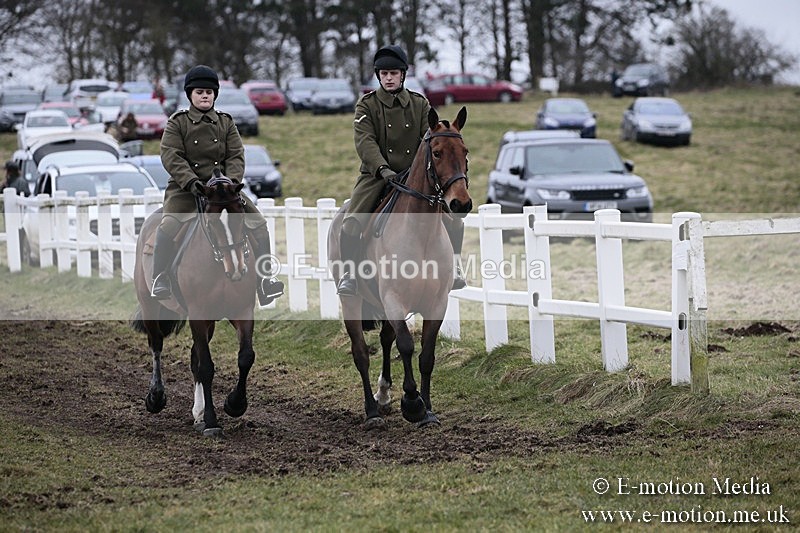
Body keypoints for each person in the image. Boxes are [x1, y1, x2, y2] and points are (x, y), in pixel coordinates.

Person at [336, 45, 466, 296]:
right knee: (352, 222)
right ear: (378, 76)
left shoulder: (419, 104)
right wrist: (383, 169)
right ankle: (349, 275)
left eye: (393, 73)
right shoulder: (367, 105)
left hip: (414, 176)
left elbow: (428, 140)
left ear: (403, 75)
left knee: (454, 220)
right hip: (376, 175)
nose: (388, 78)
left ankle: (456, 267)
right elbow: (365, 142)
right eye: (384, 74)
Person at [151, 64, 284, 306]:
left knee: (259, 224)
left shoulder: (225, 122)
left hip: (223, 192)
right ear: (190, 94)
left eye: (209, 92)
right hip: (186, 190)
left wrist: (230, 183)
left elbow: (236, 154)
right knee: (168, 226)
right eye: (200, 92)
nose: (205, 96)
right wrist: (192, 182)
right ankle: (160, 278)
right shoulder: (177, 122)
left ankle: (266, 280)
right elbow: (171, 155)